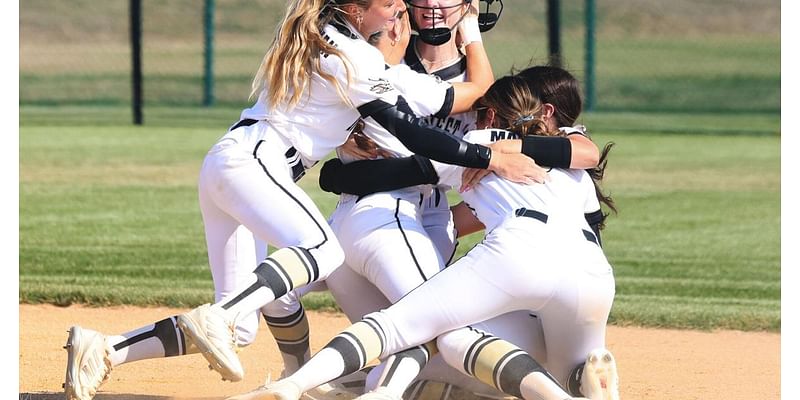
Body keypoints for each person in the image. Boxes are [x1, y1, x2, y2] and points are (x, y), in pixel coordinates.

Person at [61, 0, 547, 399]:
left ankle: (103, 349)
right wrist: (491, 158)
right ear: (358, 11)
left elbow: (444, 99)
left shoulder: (341, 39)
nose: (401, 6)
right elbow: (411, 130)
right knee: (322, 251)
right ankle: (232, 323)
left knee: (246, 326)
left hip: (237, 164)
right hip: (257, 161)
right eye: (389, 4)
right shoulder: (356, 57)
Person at [226, 71, 620, 400]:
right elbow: (585, 198)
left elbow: (400, 173)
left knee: (410, 327)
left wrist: (337, 169)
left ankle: (294, 384)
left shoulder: (480, 145)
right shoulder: (573, 166)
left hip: (519, 250)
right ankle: (579, 382)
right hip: (593, 273)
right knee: (566, 364)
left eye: (479, 113)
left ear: (492, 115)